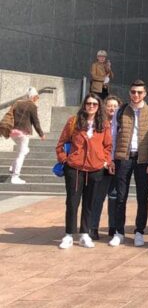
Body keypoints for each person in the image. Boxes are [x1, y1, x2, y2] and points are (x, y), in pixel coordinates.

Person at [56, 94, 112, 249]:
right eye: (89, 103)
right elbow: (61, 143)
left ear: (99, 106)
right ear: (84, 105)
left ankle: (85, 233)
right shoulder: (73, 122)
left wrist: (104, 160)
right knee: (72, 202)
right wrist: (64, 159)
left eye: (95, 103)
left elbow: (108, 145)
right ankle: (68, 234)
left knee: (90, 202)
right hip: (75, 168)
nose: (91, 106)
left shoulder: (104, 124)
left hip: (95, 168)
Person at [110, 79, 148, 247]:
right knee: (120, 197)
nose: (136, 95)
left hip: (143, 160)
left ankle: (139, 231)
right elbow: (113, 136)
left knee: (142, 197)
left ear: (145, 93)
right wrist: (111, 158)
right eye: (133, 92)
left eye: (139, 92)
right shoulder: (121, 110)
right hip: (123, 158)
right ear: (129, 93)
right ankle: (119, 232)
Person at [90, 95, 121, 240]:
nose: (112, 108)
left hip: (117, 164)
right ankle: (93, 227)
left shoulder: (121, 124)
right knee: (98, 197)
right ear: (104, 107)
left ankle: (113, 227)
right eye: (109, 105)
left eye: (115, 106)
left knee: (114, 197)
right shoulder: (99, 124)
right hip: (102, 165)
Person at [7, 87, 44, 185]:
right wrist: (41, 134)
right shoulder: (32, 106)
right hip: (23, 133)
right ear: (33, 97)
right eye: (37, 97)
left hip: (13, 132)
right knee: (22, 153)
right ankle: (15, 176)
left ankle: (13, 166)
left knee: (24, 150)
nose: (37, 99)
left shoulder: (18, 103)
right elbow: (36, 122)